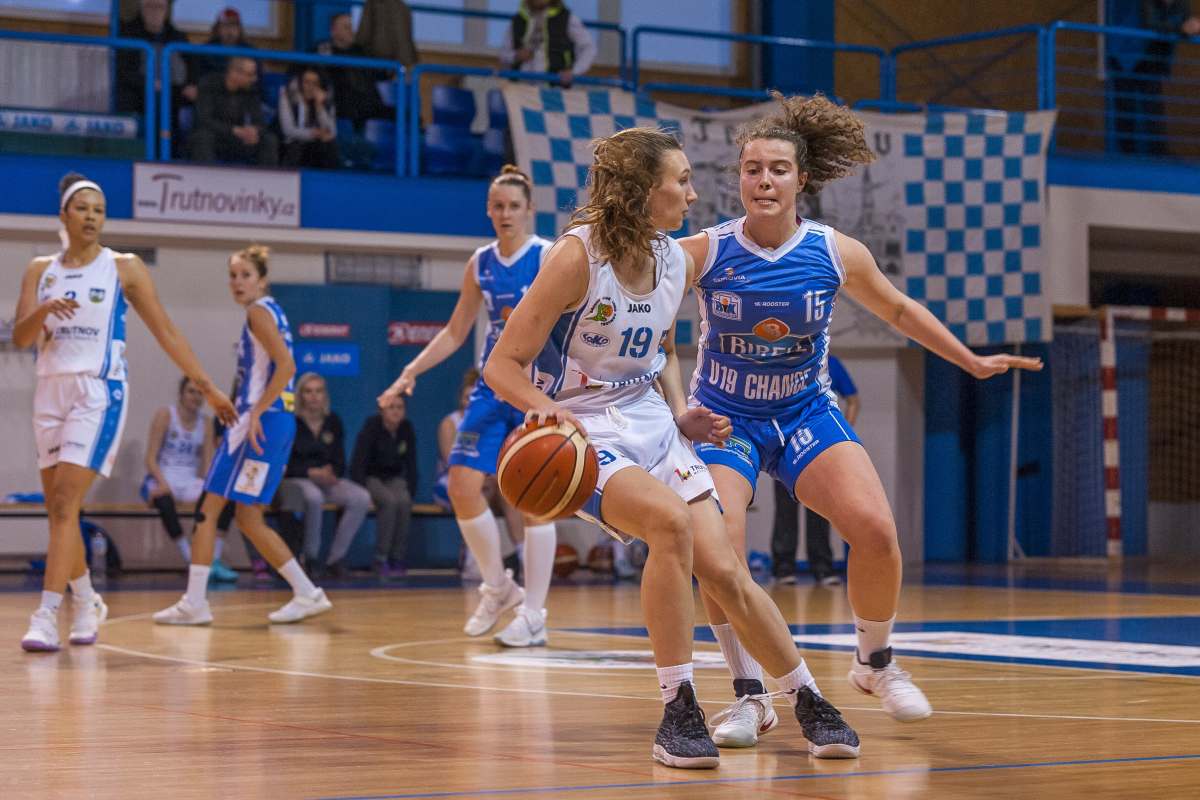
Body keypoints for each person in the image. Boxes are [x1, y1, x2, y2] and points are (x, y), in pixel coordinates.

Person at [484, 128, 861, 767]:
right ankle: (677, 708)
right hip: (584, 427)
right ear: (642, 190)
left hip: (651, 418)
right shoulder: (576, 258)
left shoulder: (675, 260)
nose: (692, 194)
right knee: (668, 524)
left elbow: (660, 347)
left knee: (726, 570)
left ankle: (807, 698)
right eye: (681, 181)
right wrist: (544, 410)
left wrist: (681, 411)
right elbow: (502, 364)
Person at [676, 93, 1043, 743]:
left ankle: (874, 663)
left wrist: (968, 359)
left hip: (804, 411)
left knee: (875, 530)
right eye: (753, 169)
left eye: (778, 169)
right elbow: (644, 316)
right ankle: (749, 695)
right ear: (739, 179)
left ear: (802, 179)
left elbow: (897, 310)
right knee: (720, 549)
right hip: (726, 418)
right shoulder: (704, 251)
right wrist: (673, 406)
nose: (764, 180)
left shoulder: (834, 250)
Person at [13, 172, 236, 651]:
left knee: (65, 503)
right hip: (49, 391)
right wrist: (44, 310)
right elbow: (21, 337)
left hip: (97, 391)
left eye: (99, 210)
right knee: (60, 511)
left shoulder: (123, 267)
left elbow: (167, 332)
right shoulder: (39, 269)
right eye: (82, 208)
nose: (92, 217)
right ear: (63, 215)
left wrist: (208, 387)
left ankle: (46, 615)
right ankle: (87, 600)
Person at [379, 165, 558, 649]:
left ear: (529, 210)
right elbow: (456, 331)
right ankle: (498, 587)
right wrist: (410, 370)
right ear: (488, 210)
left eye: (514, 206)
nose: (505, 213)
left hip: (537, 388)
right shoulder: (480, 263)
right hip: (491, 387)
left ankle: (534, 614)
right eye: (497, 206)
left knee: (535, 499)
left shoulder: (548, 256)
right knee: (461, 485)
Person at [154, 245, 331, 626]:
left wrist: (258, 412)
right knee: (248, 518)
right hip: (272, 424)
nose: (237, 282)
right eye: (233, 276)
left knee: (209, 510)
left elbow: (287, 366)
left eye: (246, 275)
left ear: (262, 280)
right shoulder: (273, 311)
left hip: (257, 425)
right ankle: (306, 592)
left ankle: (195, 603)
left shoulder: (257, 312)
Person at [771, 354, 859, 586]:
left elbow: (853, 399)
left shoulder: (829, 361)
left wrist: (843, 433)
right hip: (786, 447)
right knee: (785, 510)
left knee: (821, 510)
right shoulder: (781, 360)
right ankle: (783, 567)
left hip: (818, 447)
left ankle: (822, 567)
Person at [141, 376, 238, 582]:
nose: (196, 397)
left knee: (223, 499)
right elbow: (150, 458)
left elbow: (208, 463)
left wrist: (214, 487)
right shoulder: (166, 415)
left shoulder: (206, 422)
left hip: (188, 479)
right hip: (163, 475)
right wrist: (163, 484)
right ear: (181, 393)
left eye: (200, 393)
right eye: (191, 391)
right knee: (163, 500)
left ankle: (213, 559)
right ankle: (189, 557)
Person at [279, 373, 371, 578]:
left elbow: (340, 460)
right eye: (308, 391)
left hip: (326, 480)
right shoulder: (292, 422)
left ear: (325, 395)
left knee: (360, 497)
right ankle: (310, 557)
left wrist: (331, 473)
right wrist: (310, 472)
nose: (314, 396)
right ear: (300, 395)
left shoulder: (333, 421)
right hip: (298, 479)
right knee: (314, 497)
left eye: (318, 391)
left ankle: (335, 559)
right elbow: (285, 463)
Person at [1107, 0, 1200, 155]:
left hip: (1152, 60)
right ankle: (1127, 155)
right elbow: (1151, 24)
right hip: (1126, 56)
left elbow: (1187, 23)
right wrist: (1181, 29)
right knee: (1126, 108)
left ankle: (1158, 153)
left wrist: (1192, 27)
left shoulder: (1182, 4)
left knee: (1153, 108)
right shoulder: (1146, 3)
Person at [350, 393, 417, 577]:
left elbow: (411, 463)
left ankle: (397, 557)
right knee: (389, 502)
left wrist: (411, 489)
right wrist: (362, 490)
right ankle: (381, 558)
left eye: (400, 407)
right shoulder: (371, 427)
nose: (396, 411)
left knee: (404, 501)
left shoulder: (406, 428)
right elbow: (358, 462)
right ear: (381, 411)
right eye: (391, 407)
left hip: (394, 478)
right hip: (371, 477)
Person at [190, 56, 279, 167]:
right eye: (250, 75)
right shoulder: (209, 84)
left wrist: (254, 130)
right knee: (202, 137)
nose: (254, 79)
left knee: (269, 139)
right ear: (234, 73)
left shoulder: (251, 90)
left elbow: (259, 121)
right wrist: (234, 130)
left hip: (238, 139)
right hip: (216, 136)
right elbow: (204, 119)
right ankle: (205, 176)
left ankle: (266, 176)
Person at [314, 12, 392, 132]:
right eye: (346, 27)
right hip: (343, 105)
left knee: (407, 115)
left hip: (371, 104)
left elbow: (381, 74)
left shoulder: (362, 51)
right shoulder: (323, 51)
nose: (351, 31)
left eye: (351, 27)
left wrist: (389, 70)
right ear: (334, 31)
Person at [116, 0, 196, 115]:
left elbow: (192, 65)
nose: (155, 11)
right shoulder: (128, 34)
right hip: (140, 91)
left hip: (174, 90)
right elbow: (123, 70)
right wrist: (149, 82)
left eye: (160, 7)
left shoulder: (178, 36)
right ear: (142, 8)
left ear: (166, 10)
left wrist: (190, 84)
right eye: (150, 6)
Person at [499, 0, 597, 88]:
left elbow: (589, 48)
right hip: (519, 87)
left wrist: (574, 71)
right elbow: (504, 54)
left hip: (554, 89)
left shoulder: (567, 19)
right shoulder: (518, 20)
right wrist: (516, 56)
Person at [279, 67, 340, 169]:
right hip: (292, 143)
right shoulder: (288, 95)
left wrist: (319, 106)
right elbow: (288, 130)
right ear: (300, 82)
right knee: (296, 148)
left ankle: (332, 177)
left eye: (315, 83)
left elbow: (332, 132)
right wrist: (313, 133)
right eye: (306, 82)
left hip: (315, 145)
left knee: (329, 145)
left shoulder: (327, 100)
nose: (310, 87)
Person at [190, 6, 256, 86]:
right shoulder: (206, 50)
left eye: (233, 25)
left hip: (241, 90)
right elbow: (199, 77)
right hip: (213, 90)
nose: (229, 30)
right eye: (225, 25)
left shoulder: (249, 50)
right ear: (218, 28)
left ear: (239, 29)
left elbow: (255, 80)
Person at [354, 0, 420, 69]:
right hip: (397, 63)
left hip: (381, 62)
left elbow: (362, 37)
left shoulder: (372, 4)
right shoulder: (402, 7)